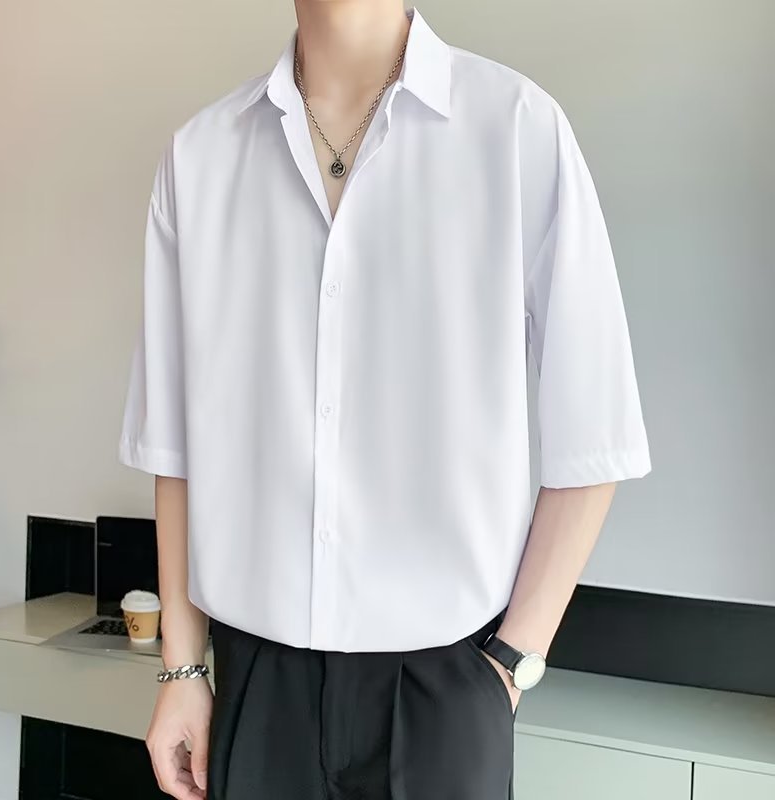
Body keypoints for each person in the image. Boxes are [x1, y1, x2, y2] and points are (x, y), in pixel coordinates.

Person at [118, 2, 652, 799]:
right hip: (256, 688)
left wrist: (510, 664)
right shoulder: (201, 156)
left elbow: (596, 431)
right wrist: (183, 667)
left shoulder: (516, 129)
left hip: (446, 689)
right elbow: (175, 445)